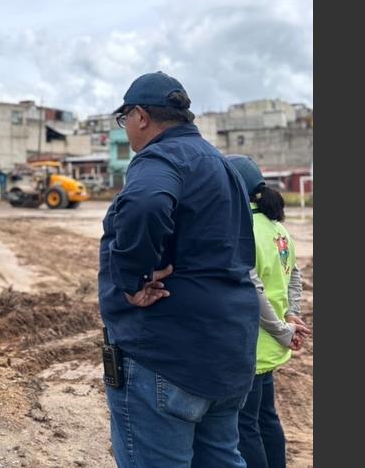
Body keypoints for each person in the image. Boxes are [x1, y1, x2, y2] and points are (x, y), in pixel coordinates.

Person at [98, 71, 260, 467]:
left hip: (167, 354)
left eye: (125, 121)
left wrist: (132, 278)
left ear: (139, 116)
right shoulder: (221, 166)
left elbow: (146, 204)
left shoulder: (159, 158)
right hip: (227, 350)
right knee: (221, 457)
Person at [227, 155, 311, 468]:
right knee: (267, 419)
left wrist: (281, 327)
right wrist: (292, 314)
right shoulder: (276, 227)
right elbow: (295, 274)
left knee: (245, 426)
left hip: (252, 344)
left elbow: (253, 287)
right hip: (271, 345)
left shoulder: (243, 228)